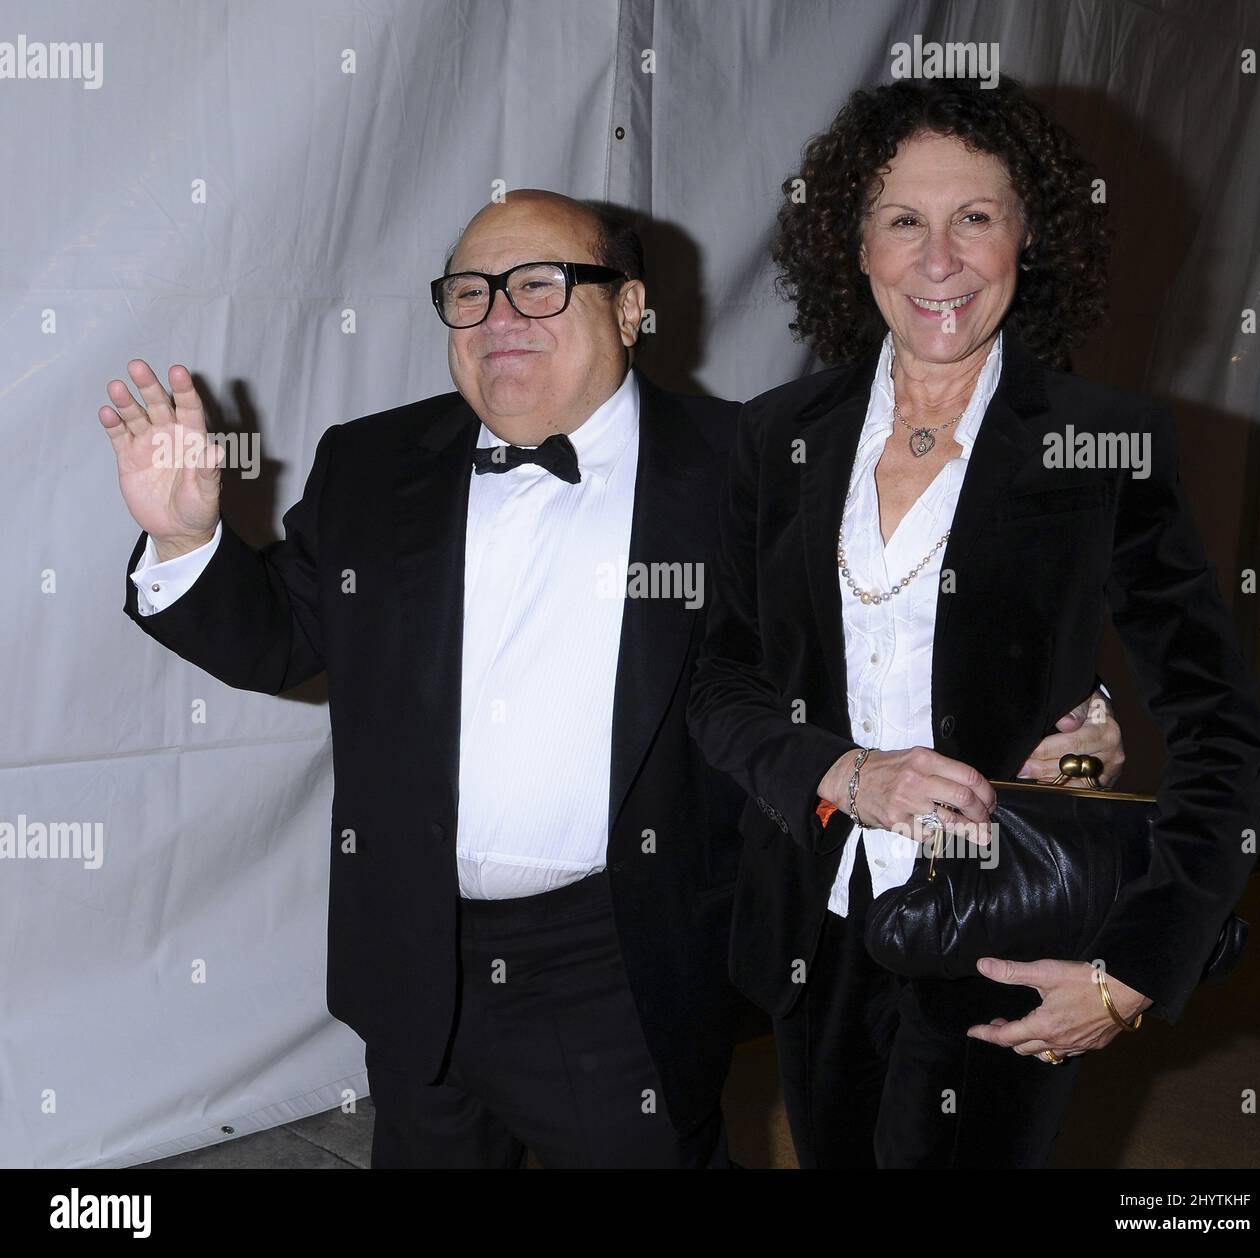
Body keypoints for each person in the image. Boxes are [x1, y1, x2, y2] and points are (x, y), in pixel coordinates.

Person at [102, 186, 1121, 1170]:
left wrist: (1064, 723)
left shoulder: (751, 464)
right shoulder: (371, 463)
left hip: (621, 959)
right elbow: (278, 637)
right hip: (411, 951)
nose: (499, 314)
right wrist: (186, 538)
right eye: (471, 290)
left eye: (540, 282)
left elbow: (888, 628)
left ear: (631, 307)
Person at [687, 76, 1260, 1169]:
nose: (938, 258)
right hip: (821, 917)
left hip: (1011, 924)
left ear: (1028, 238)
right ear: (853, 246)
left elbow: (1217, 727)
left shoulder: (1103, 444)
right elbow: (719, 684)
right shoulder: (776, 438)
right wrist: (844, 773)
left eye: (975, 217)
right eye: (903, 219)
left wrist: (1134, 969)